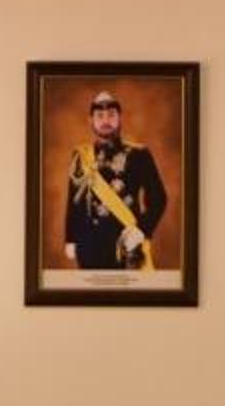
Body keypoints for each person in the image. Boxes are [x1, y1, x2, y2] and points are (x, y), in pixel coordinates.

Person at [62, 89, 168, 271]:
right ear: (91, 120)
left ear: (120, 118)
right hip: (88, 248)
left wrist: (141, 230)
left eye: (111, 115)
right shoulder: (81, 156)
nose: (106, 121)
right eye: (100, 115)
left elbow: (159, 199)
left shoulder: (139, 155)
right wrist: (70, 238)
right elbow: (74, 201)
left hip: (126, 245)